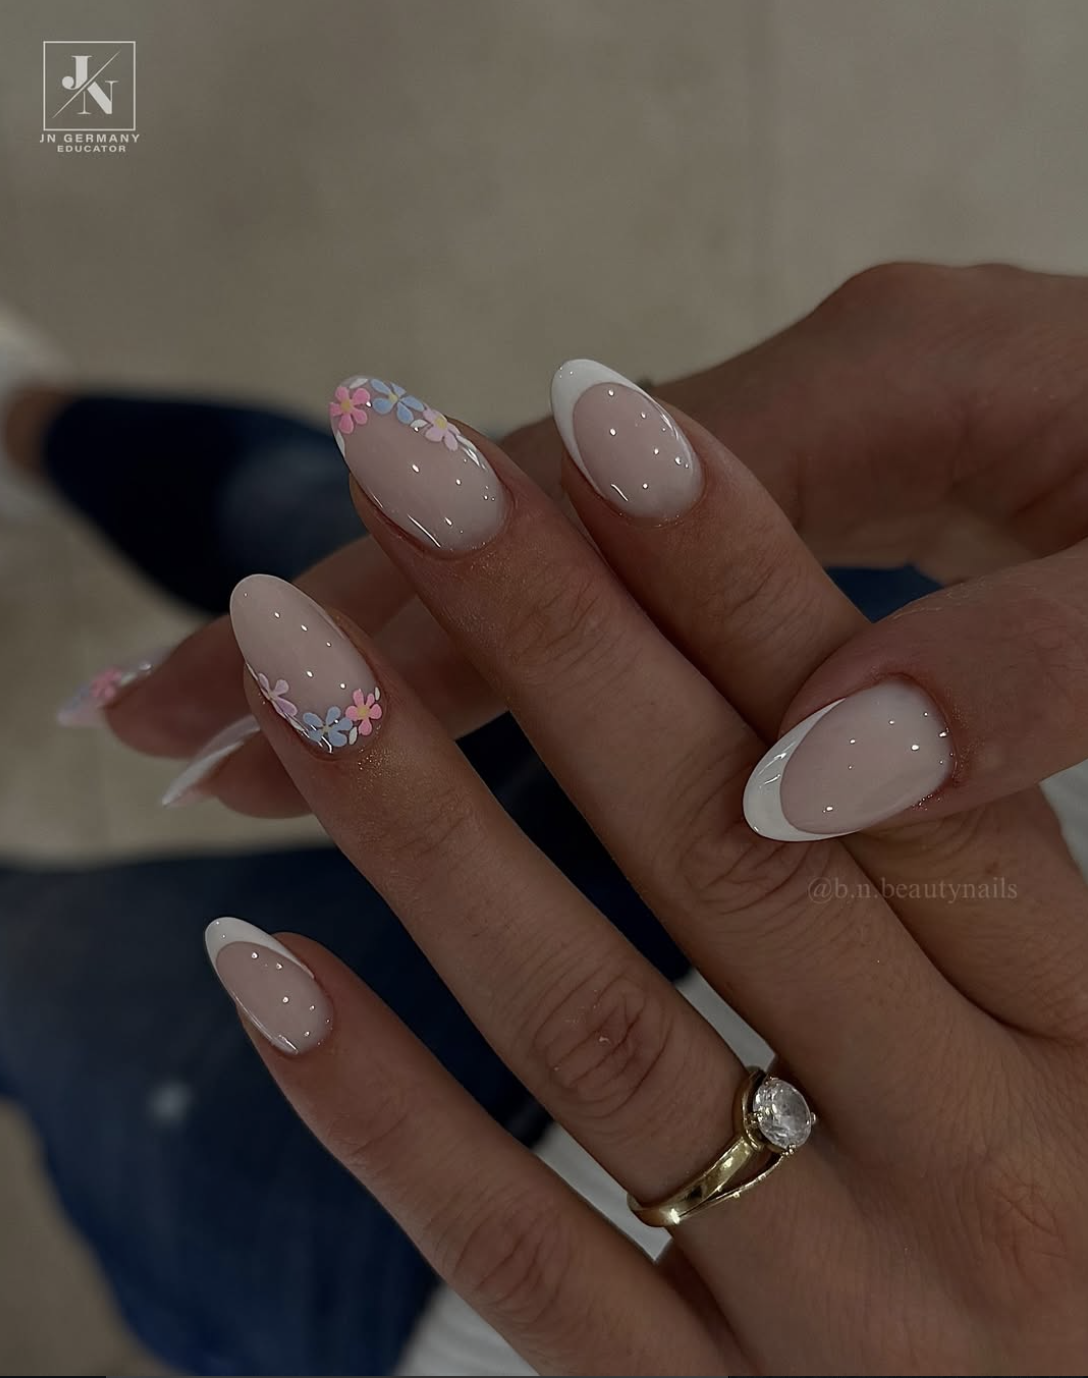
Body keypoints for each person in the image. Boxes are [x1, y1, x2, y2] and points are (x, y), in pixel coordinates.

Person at [3, 260, 1088, 1372]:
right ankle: (26, 417)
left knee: (38, 968)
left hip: (544, 1246)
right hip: (860, 724)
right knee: (316, 531)